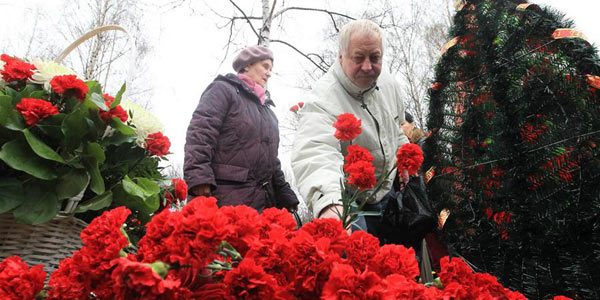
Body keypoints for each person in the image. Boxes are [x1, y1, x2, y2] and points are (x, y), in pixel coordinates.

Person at [291, 19, 410, 236]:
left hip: (389, 191)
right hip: (349, 202)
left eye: (375, 58)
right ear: (341, 56)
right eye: (358, 58)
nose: (367, 67)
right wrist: (330, 203)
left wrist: (404, 158)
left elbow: (396, 126)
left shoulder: (388, 83)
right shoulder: (323, 98)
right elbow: (315, 151)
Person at [184, 45, 299, 213]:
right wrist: (198, 176)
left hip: (263, 203)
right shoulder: (223, 90)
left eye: (271, 69)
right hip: (225, 198)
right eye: (265, 66)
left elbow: (271, 158)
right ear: (247, 65)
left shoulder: (268, 111)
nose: (269, 73)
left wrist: (283, 192)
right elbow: (201, 133)